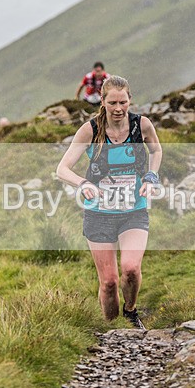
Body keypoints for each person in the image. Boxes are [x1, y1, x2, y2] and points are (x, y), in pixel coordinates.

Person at [58, 75, 163, 328]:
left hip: (133, 211)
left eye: (123, 102)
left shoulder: (142, 126)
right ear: (102, 101)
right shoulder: (90, 130)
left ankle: (130, 311)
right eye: (112, 102)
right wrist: (83, 184)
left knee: (130, 269)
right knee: (109, 283)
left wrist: (151, 176)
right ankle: (111, 329)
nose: (118, 109)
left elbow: (156, 150)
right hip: (99, 214)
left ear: (130, 100)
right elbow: (62, 169)